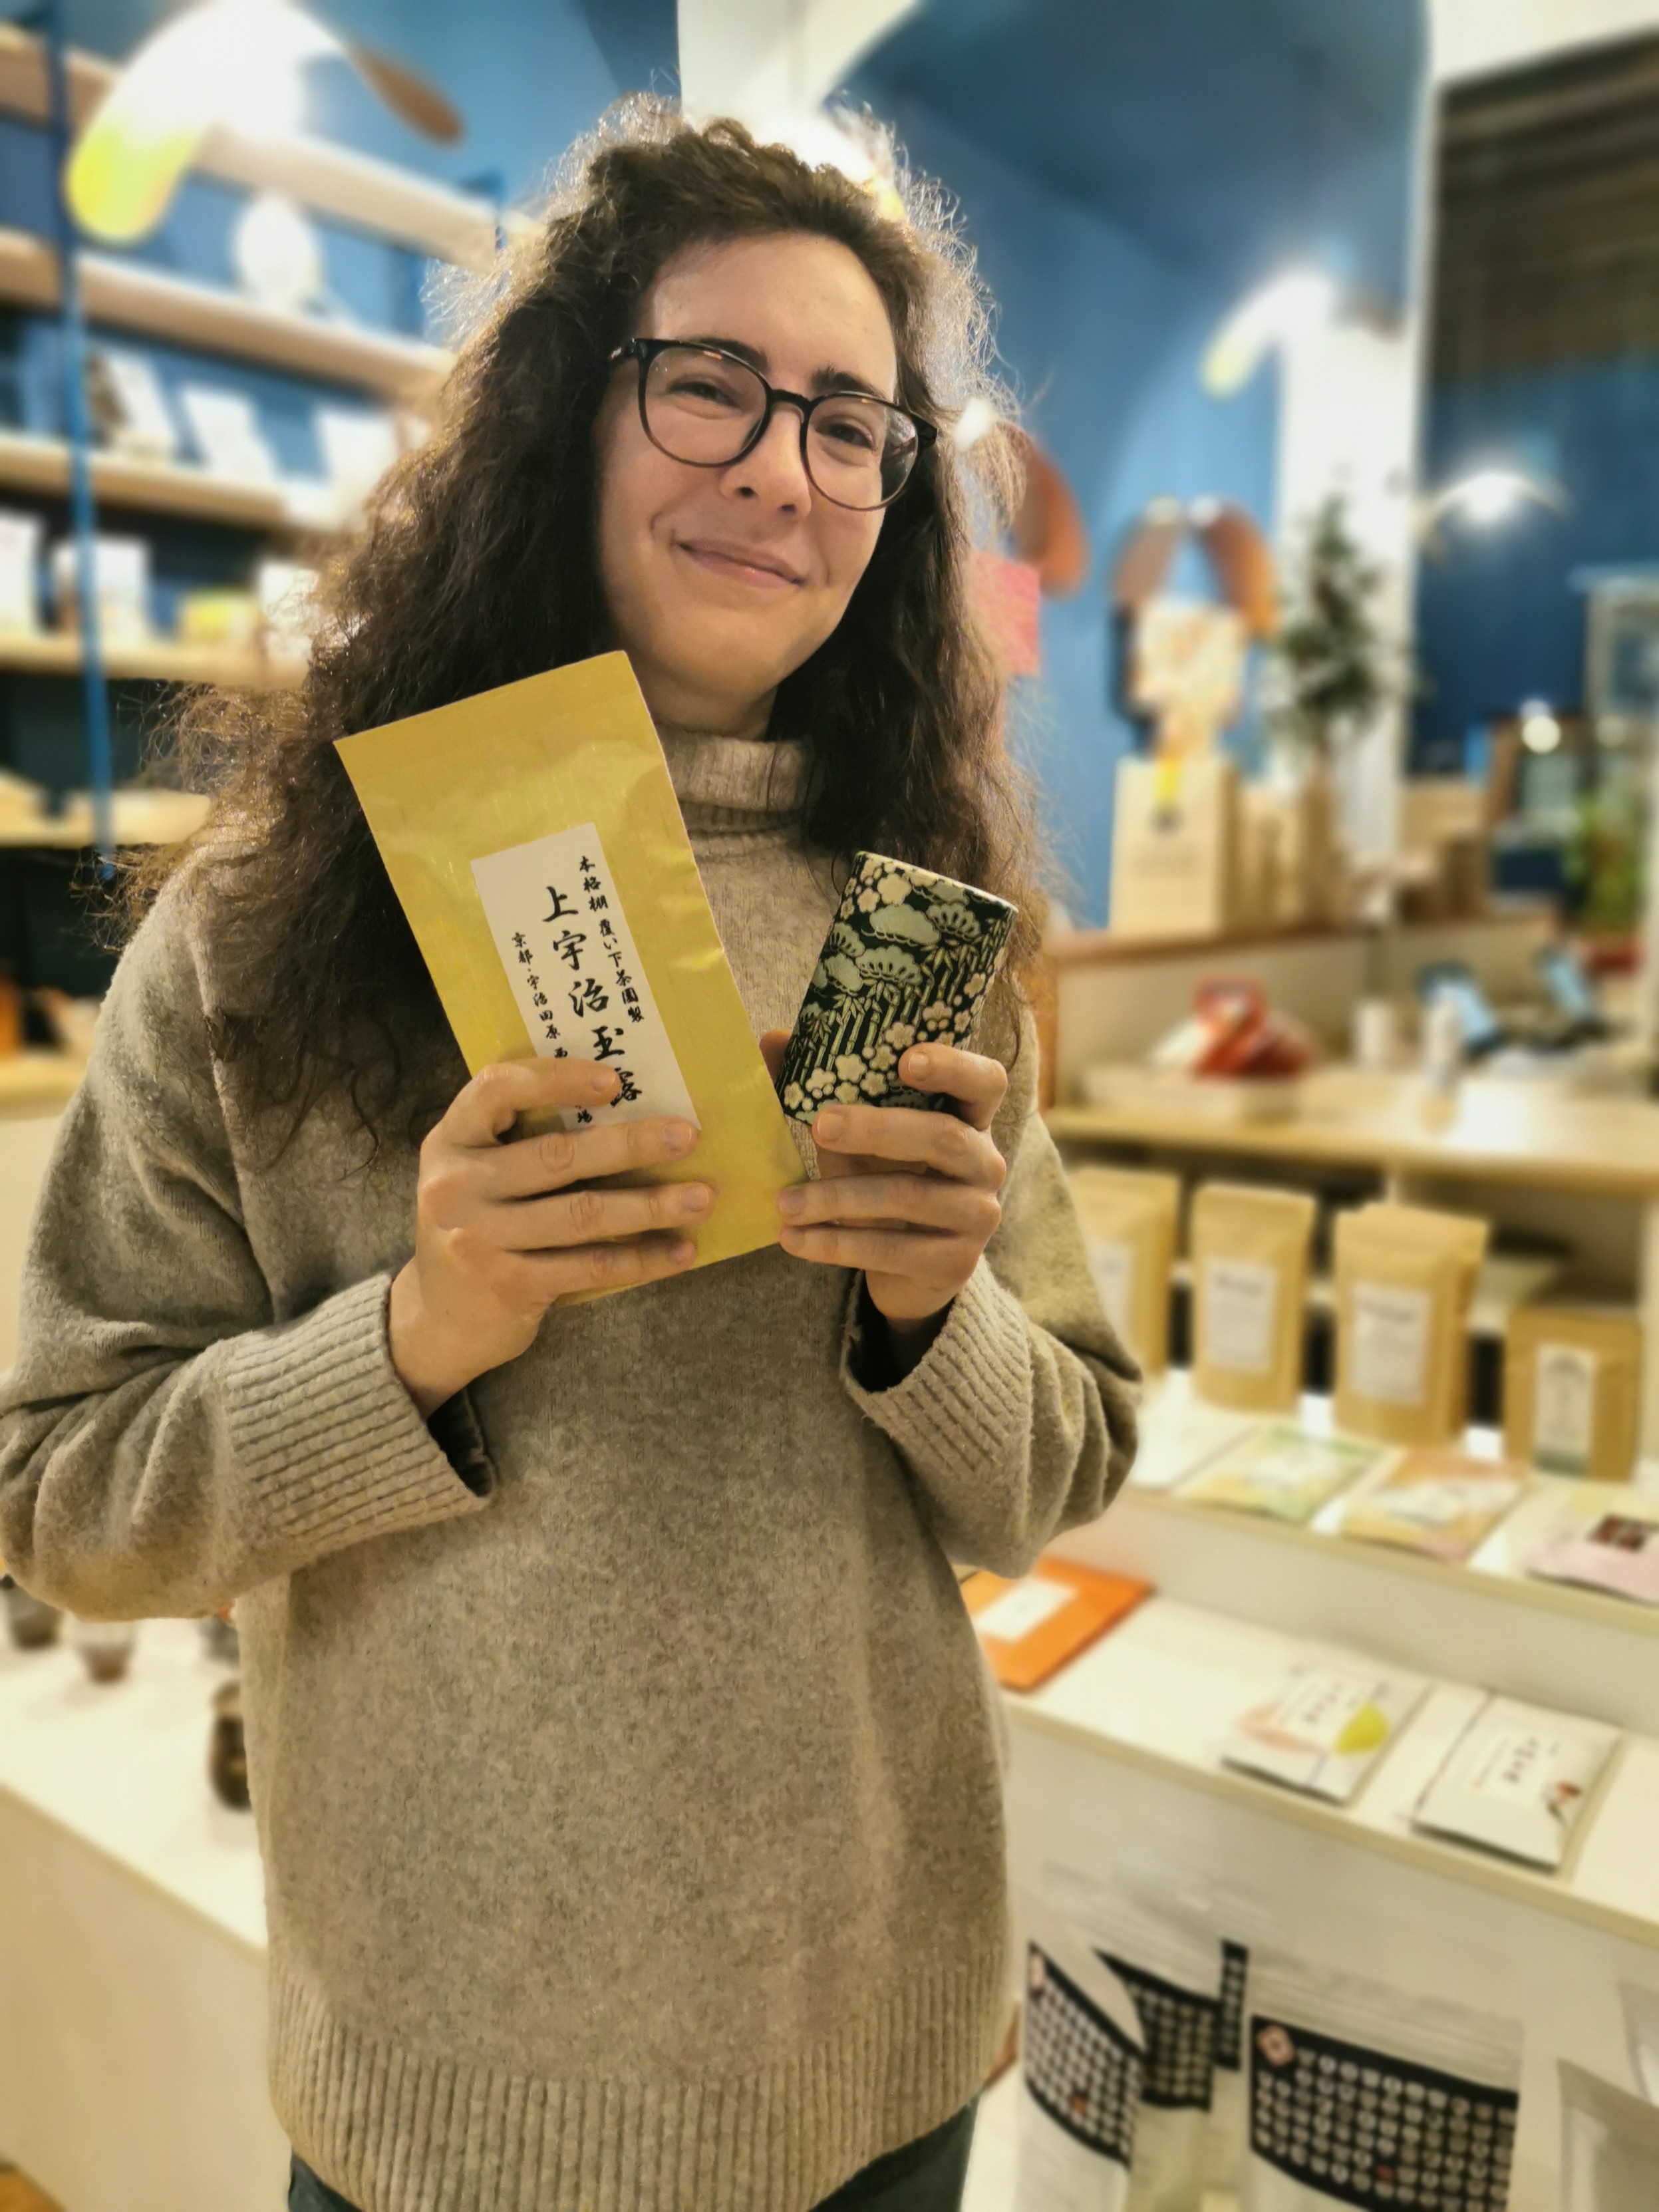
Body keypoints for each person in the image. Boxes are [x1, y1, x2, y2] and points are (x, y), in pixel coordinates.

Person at [0, 104, 1136, 2212]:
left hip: (885, 2045)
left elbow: (1056, 1472)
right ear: (562, 411)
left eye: (854, 424)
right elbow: (64, 1503)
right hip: (470, 2108)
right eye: (711, 384)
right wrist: (421, 1334)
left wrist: (932, 1316)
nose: (783, 469)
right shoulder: (280, 918)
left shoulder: (912, 911)